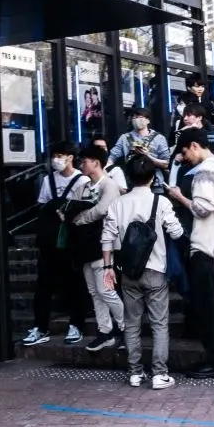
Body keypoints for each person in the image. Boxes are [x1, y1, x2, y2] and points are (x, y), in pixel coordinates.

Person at [101, 155, 185, 389]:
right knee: (159, 323)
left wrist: (108, 268)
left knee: (132, 323)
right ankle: (159, 374)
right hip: (156, 269)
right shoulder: (161, 202)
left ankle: (135, 372)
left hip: (128, 271)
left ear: (129, 176)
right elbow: (177, 233)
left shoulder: (118, 203)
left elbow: (107, 237)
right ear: (152, 177)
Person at [170, 128, 214, 377]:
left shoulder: (204, 172)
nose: (185, 157)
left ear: (195, 146)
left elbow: (202, 208)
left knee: (210, 308)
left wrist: (179, 197)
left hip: (206, 246)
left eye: (185, 151)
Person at [24, 142, 89, 347]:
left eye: (61, 155)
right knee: (43, 286)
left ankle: (76, 324)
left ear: (71, 157)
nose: (56, 160)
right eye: (54, 156)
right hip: (50, 241)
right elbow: (42, 205)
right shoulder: (47, 180)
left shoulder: (82, 180)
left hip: (72, 239)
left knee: (74, 283)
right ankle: (40, 327)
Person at [70, 144, 125, 351]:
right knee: (95, 291)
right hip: (85, 246)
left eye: (84, 161)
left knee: (107, 290)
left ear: (96, 162)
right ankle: (105, 331)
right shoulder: (82, 187)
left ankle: (125, 328)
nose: (81, 165)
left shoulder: (109, 185)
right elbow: (70, 207)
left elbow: (102, 210)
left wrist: (80, 218)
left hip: (105, 245)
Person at [107, 107, 171, 185]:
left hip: (154, 183)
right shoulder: (125, 138)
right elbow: (112, 156)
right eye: (135, 117)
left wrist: (148, 156)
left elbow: (166, 163)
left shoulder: (159, 138)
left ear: (148, 120)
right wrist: (106, 169)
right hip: (131, 182)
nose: (137, 120)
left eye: (140, 117)